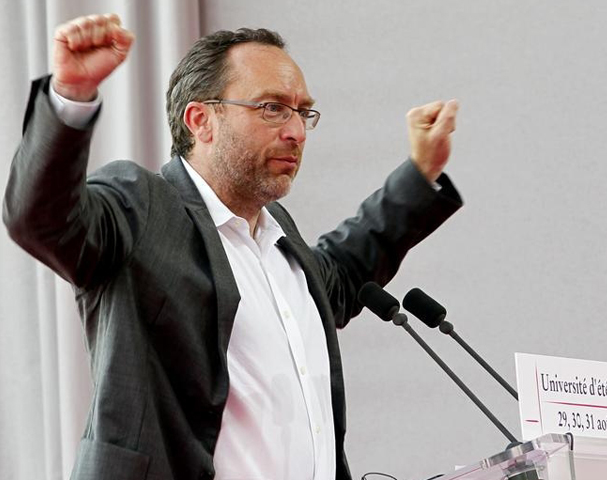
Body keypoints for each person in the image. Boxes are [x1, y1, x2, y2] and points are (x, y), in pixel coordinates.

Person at [3, 13, 462, 480]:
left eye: (303, 112)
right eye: (272, 108)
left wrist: (420, 174)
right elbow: (41, 220)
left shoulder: (279, 235)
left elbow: (343, 272)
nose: (297, 132)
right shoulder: (143, 208)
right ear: (201, 120)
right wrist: (71, 97)